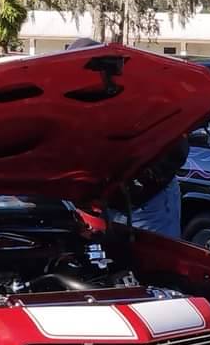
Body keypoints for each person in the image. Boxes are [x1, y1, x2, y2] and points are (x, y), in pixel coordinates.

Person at [66, 36, 187, 236]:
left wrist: (144, 179)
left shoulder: (136, 98)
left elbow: (178, 147)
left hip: (149, 204)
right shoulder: (78, 101)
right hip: (104, 204)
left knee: (152, 261)